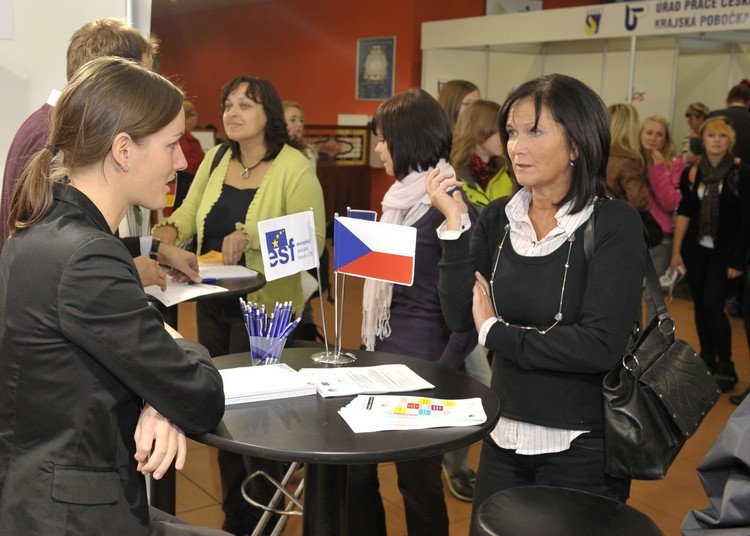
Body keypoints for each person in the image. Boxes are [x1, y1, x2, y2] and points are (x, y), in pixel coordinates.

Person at [0, 57, 227, 535]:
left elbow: (130, 357)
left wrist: (158, 397)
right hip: (72, 517)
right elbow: (200, 396)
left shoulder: (43, 230)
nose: (183, 162)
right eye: (171, 145)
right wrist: (170, 380)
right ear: (123, 150)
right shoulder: (88, 256)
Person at [427, 74, 646, 529]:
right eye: (511, 132)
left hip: (582, 448)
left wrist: (496, 332)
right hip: (503, 436)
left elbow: (598, 346)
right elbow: (459, 317)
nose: (516, 147)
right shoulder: (498, 218)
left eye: (535, 131)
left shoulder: (613, 224)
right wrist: (454, 226)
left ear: (576, 144)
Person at [152, 75, 325, 535]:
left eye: (245, 104)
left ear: (269, 113)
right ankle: (236, 520)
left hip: (267, 314)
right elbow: (188, 214)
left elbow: (312, 240)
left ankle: (265, 521)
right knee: (222, 416)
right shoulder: (216, 158)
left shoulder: (294, 167)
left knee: (260, 425)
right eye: (228, 104)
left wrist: (250, 238)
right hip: (212, 304)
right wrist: (164, 236)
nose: (233, 112)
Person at [346, 88, 478, 536]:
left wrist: (443, 370)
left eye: (383, 139)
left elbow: (467, 310)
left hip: (424, 368)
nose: (378, 149)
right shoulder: (400, 200)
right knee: (356, 470)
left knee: (418, 485)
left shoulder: (450, 205)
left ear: (407, 139)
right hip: (379, 359)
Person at [0, 17, 197, 290]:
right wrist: (124, 274)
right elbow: (62, 262)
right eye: (143, 80)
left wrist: (154, 248)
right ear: (114, 78)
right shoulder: (59, 137)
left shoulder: (56, 126)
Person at [441, 98, 513, 502]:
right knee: (481, 384)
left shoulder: (508, 174)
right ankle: (457, 466)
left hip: (498, 293)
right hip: (462, 295)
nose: (507, 138)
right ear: (481, 130)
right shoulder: (453, 176)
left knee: (480, 383)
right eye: (501, 130)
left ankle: (453, 461)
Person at [670, 116, 750, 393]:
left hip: (725, 254)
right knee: (700, 306)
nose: (716, 141)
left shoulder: (741, 173)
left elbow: (746, 220)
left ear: (730, 141)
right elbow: (685, 211)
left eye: (722, 136)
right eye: (711, 136)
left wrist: (738, 259)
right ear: (702, 140)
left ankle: (726, 367)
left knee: (714, 305)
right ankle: (707, 360)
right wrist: (676, 251)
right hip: (696, 251)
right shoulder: (692, 173)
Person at [639, 115, 685, 318]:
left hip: (661, 236)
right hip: (634, 231)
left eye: (659, 134)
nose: (653, 138)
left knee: (653, 296)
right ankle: (631, 337)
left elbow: (671, 202)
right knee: (629, 293)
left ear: (666, 139)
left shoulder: (675, 164)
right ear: (640, 134)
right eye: (649, 132)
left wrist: (657, 169)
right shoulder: (633, 160)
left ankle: (651, 338)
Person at [172, 100, 205, 213]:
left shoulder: (183, 136)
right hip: (184, 182)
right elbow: (192, 162)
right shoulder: (183, 137)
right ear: (190, 117)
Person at [283, 100, 317, 169]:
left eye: (301, 120)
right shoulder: (271, 153)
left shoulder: (309, 152)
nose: (299, 124)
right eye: (293, 120)